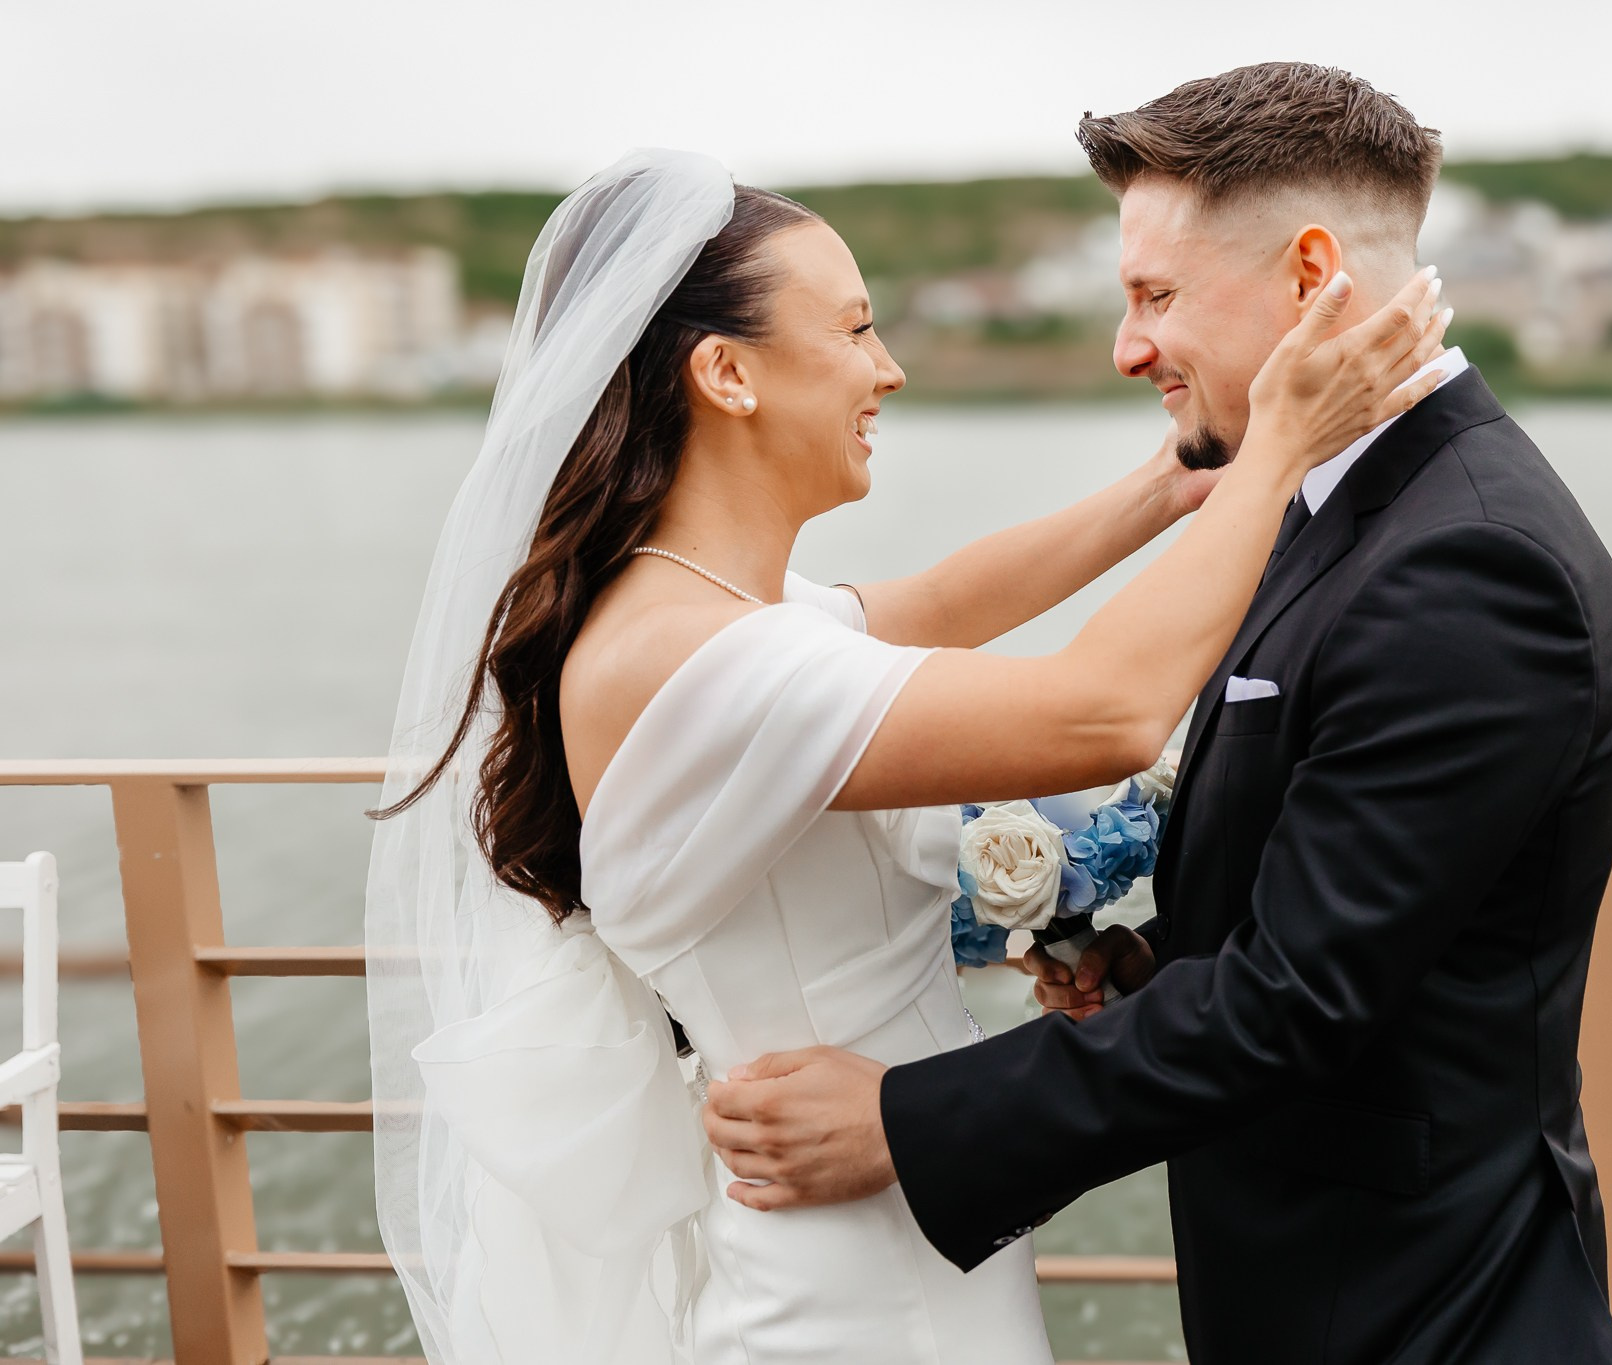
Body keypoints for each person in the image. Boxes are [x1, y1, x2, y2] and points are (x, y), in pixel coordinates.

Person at [363, 145, 1443, 1363]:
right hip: (854, 1292)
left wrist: (1171, 483)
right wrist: (1287, 443)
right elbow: (1108, 712)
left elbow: (933, 600)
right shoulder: (698, 663)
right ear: (724, 373)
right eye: (855, 328)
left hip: (879, 1233)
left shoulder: (703, 620)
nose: (888, 367)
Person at [705, 63, 1612, 1364]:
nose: (1127, 346)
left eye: (1155, 296)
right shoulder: (1344, 515)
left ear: (1312, 276)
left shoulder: (1473, 564)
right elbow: (1336, 920)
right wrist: (1151, 964)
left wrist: (906, 1121)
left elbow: (1301, 998)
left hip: (1430, 1310)